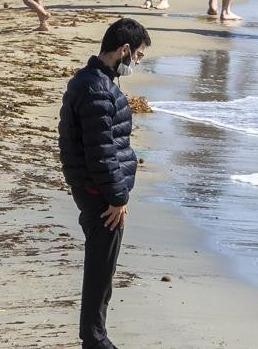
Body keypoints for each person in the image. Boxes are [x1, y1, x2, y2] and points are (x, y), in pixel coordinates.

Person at [58, 18, 152, 349]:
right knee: (100, 268)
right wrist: (116, 197)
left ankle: (96, 335)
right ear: (123, 50)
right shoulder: (96, 87)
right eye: (137, 56)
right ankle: (94, 338)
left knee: (103, 267)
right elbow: (100, 151)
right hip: (101, 193)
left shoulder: (94, 81)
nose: (137, 63)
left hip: (99, 190)